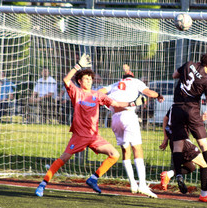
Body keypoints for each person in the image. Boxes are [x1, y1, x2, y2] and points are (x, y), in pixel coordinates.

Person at [35, 54, 139, 197]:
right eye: (86, 79)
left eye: (90, 79)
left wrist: (133, 103)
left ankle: (93, 178)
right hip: (79, 136)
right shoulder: (76, 92)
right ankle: (43, 184)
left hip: (94, 136)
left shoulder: (97, 95)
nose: (89, 81)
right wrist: (78, 65)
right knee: (64, 158)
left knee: (114, 154)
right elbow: (66, 79)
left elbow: (115, 104)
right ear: (79, 81)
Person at [98, 64, 164, 198]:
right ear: (133, 77)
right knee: (137, 149)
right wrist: (158, 95)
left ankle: (133, 183)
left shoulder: (115, 84)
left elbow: (99, 92)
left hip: (115, 119)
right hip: (128, 115)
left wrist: (108, 103)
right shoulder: (136, 82)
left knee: (125, 150)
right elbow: (149, 93)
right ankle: (143, 185)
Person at [170, 53, 207, 201]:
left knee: (178, 145)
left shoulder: (188, 64)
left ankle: (178, 174)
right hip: (192, 110)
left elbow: (174, 75)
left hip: (177, 108)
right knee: (203, 143)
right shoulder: (206, 80)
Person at [159, 109, 207, 202]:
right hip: (183, 143)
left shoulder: (174, 106)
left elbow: (165, 118)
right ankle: (204, 194)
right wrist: (201, 119)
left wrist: (166, 138)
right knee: (205, 164)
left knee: (191, 168)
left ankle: (168, 174)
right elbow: (190, 123)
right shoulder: (186, 107)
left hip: (173, 143)